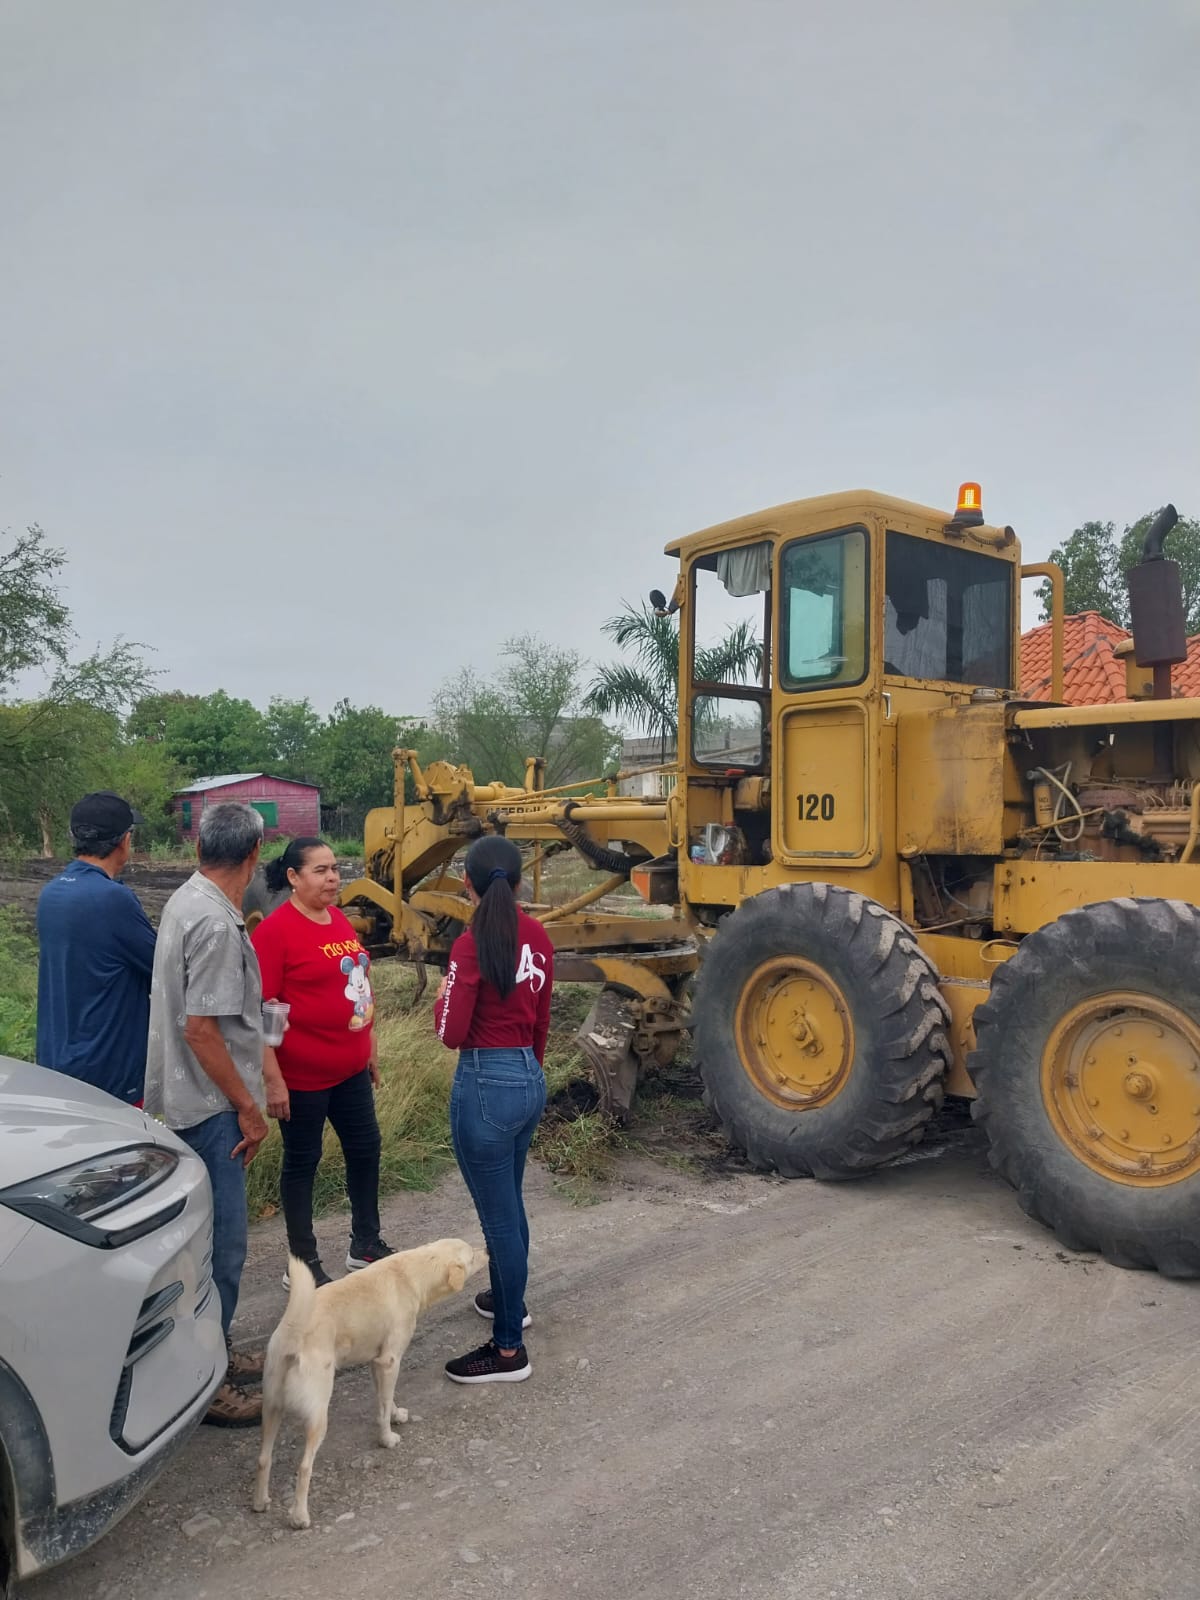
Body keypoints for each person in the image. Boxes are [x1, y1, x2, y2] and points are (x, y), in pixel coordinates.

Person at [143, 802, 270, 1428]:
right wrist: (248, 1107)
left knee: (201, 1241)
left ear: (199, 850)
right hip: (213, 1106)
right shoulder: (218, 924)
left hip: (184, 1098)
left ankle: (211, 1349)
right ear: (254, 856)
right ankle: (208, 1380)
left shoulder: (184, 900)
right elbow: (201, 1030)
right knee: (224, 1246)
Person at [434, 835, 553, 1384]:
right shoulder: (539, 937)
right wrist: (528, 1073)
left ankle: (507, 1351)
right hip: (529, 1075)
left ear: (468, 883)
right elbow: (542, 1021)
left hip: (486, 1079)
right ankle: (513, 1303)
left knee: (498, 1218)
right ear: (521, 881)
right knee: (511, 1204)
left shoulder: (469, 944)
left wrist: (441, 999)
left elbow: (450, 1032)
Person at [250, 836, 393, 1288]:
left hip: (350, 1070)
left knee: (366, 1149)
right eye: (321, 870)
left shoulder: (338, 921)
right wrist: (273, 1080)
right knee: (302, 1162)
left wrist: (367, 1047)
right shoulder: (274, 932)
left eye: (335, 869)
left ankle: (365, 1243)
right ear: (293, 878)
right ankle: (302, 1261)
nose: (333, 878)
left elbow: (360, 988)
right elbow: (260, 1012)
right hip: (303, 1077)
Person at [35, 791, 156, 1106]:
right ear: (124, 841)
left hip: (58, 1059)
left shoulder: (52, 893)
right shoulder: (112, 899)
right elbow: (162, 965)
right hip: (107, 1069)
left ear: (74, 837)